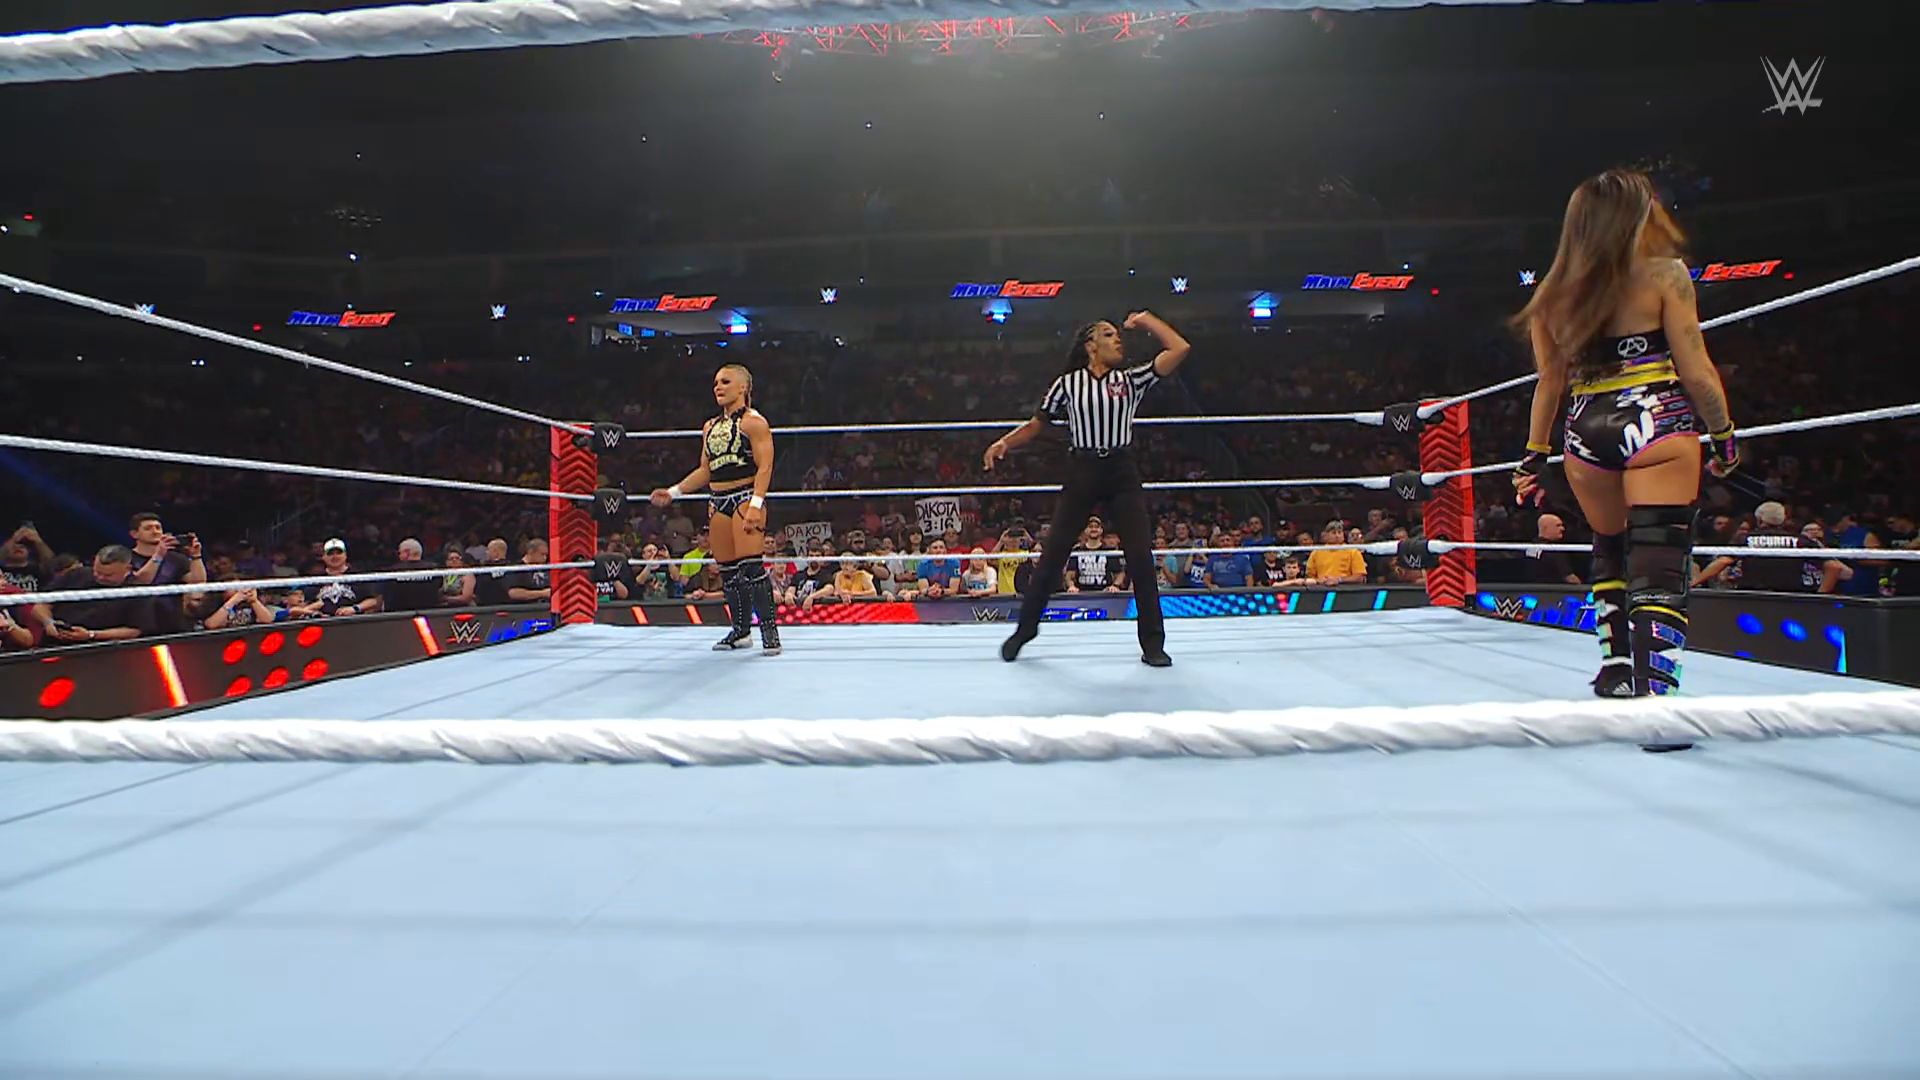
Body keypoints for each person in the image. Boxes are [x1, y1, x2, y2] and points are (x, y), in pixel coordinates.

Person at [1511, 169, 1756, 717]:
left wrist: (1534, 453)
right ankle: (1656, 696)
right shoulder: (1665, 274)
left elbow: (1549, 382)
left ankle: (1616, 667)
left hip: (1585, 427)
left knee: (1610, 545)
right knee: (1659, 555)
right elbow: (1696, 369)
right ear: (1637, 215)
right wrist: (1724, 436)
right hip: (1655, 422)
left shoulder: (1552, 292)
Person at [984, 312, 1190, 666]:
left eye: (1117, 334)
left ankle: (1153, 644)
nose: (1117, 339)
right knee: (1053, 554)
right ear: (1090, 345)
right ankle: (1025, 630)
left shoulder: (1130, 379)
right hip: (1083, 468)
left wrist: (1147, 321)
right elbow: (1037, 424)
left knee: (1140, 557)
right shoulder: (1067, 384)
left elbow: (1179, 348)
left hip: (1121, 470)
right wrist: (1005, 442)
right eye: (1108, 334)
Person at [652, 364, 781, 655]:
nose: (718, 387)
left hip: (746, 495)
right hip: (718, 499)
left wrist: (756, 504)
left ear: (743, 387)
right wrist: (674, 492)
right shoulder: (709, 427)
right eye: (715, 383)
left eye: (725, 381)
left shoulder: (754, 422)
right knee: (729, 570)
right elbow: (705, 470)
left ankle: (769, 633)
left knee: (751, 567)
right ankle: (740, 631)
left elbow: (765, 466)